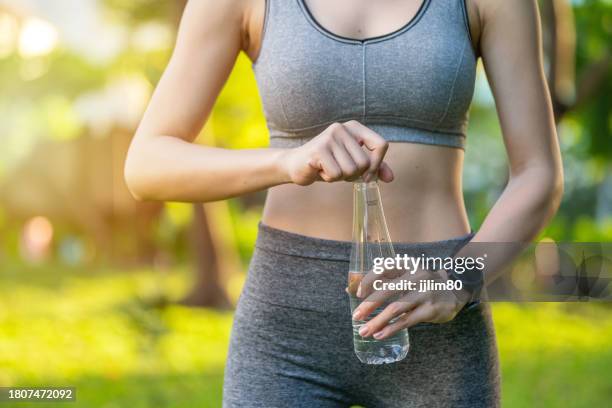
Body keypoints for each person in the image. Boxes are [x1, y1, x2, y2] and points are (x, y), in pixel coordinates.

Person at [125, 0, 563, 406]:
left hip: (436, 313)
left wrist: (457, 280)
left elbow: (539, 174)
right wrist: (287, 160)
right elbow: (147, 164)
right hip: (286, 327)